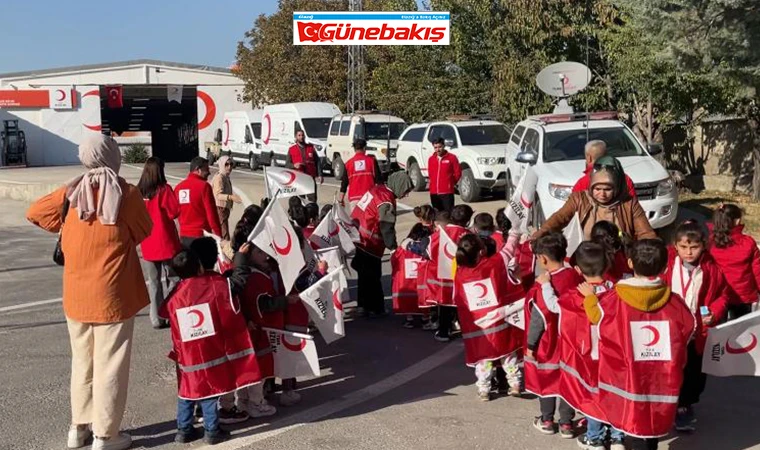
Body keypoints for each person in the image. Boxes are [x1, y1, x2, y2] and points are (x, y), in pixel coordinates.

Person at [26, 134, 152, 450]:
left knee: (83, 363)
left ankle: (77, 427)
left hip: (77, 295)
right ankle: (106, 435)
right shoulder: (127, 194)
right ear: (112, 156)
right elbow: (144, 230)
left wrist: (70, 187)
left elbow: (36, 213)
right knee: (110, 364)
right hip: (114, 294)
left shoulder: (72, 194)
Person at [580, 239, 695, 449]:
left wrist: (589, 298)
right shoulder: (675, 302)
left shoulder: (612, 299)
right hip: (662, 376)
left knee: (632, 416)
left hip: (627, 376)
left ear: (630, 263)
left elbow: (596, 318)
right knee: (652, 420)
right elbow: (688, 328)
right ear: (665, 267)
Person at [159, 248, 262, 445]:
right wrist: (240, 257)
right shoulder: (214, 285)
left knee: (186, 391)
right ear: (199, 267)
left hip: (186, 354)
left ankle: (183, 429)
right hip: (210, 352)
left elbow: (164, 311)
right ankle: (212, 430)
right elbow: (238, 283)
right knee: (208, 391)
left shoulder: (177, 293)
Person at [662, 220, 729, 432]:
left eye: (694, 247)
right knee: (669, 370)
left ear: (703, 245)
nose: (689, 252)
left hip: (697, 331)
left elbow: (723, 295)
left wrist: (715, 312)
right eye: (683, 247)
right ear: (675, 245)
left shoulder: (711, 269)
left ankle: (685, 406)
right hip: (670, 329)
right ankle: (667, 405)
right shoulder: (666, 265)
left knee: (693, 372)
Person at [553, 243, 616, 447]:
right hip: (615, 355)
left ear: (578, 270)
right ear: (607, 266)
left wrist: (544, 286)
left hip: (589, 355)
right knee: (614, 395)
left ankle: (594, 437)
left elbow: (558, 316)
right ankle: (617, 437)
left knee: (592, 396)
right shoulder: (618, 291)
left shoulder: (573, 296)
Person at [524, 232, 582, 438]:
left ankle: (547, 420)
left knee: (547, 380)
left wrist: (531, 345)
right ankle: (567, 423)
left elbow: (539, 319)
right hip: (571, 341)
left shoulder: (544, 284)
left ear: (542, 258)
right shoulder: (575, 276)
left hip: (549, 343)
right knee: (567, 382)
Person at [452, 234, 524, 401]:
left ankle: (484, 389)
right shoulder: (492, 264)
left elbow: (457, 300)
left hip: (478, 328)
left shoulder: (460, 274)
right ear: (482, 251)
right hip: (500, 323)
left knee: (484, 360)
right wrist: (514, 233)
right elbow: (509, 249)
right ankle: (515, 384)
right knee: (508, 356)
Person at [537, 156, 656, 241]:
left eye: (607, 190)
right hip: (587, 260)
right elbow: (560, 218)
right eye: (597, 189)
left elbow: (646, 233)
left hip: (620, 260)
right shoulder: (579, 199)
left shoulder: (629, 203)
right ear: (591, 186)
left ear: (617, 188)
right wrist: (541, 232)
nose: (602, 194)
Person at [351, 172, 414, 316]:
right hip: (370, 241)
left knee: (363, 275)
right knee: (373, 276)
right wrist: (392, 248)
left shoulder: (377, 189)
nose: (406, 195)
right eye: (406, 190)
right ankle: (376, 307)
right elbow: (386, 226)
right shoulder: (386, 199)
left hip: (359, 236)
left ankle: (363, 305)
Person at [137, 156, 181, 329]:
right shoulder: (164, 190)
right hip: (166, 241)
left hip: (147, 242)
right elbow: (174, 212)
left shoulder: (139, 192)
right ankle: (171, 313)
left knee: (154, 282)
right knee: (174, 279)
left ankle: (156, 317)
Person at [427, 205, 474, 342]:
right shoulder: (468, 235)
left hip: (444, 275)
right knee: (461, 303)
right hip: (461, 275)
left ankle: (443, 332)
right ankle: (461, 327)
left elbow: (428, 248)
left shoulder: (442, 232)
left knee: (445, 304)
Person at [709, 203, 760, 319]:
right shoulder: (748, 243)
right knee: (741, 330)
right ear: (737, 221)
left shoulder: (711, 243)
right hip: (743, 295)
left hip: (718, 294)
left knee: (719, 327)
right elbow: (757, 271)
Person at [392, 223, 433, 327]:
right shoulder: (426, 248)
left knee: (407, 298)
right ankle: (425, 318)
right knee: (422, 296)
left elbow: (395, 260)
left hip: (406, 280)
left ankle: (409, 318)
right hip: (421, 279)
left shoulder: (404, 247)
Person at [176, 156, 222, 247]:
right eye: (206, 169)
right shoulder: (204, 187)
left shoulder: (178, 188)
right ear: (198, 169)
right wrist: (219, 236)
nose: (209, 172)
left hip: (184, 237)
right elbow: (212, 215)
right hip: (201, 236)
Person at [572, 140, 636, 198]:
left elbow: (574, 206)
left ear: (589, 158)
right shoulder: (625, 179)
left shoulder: (583, 182)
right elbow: (634, 203)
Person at [339, 138, 382, 211]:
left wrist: (341, 199)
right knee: (369, 221)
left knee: (356, 222)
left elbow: (344, 183)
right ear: (364, 148)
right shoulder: (371, 161)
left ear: (354, 149)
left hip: (354, 199)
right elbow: (379, 181)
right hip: (369, 198)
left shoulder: (348, 164)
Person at [211, 156, 242, 240]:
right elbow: (218, 195)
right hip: (220, 208)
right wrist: (231, 197)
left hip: (224, 208)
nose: (229, 167)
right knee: (224, 234)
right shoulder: (219, 177)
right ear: (221, 165)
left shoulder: (225, 176)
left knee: (222, 232)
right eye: (226, 164)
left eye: (231, 164)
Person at [428, 137, 462, 214]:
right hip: (434, 193)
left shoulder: (452, 158)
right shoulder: (431, 159)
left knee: (448, 214)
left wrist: (451, 183)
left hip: (447, 193)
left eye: (439, 147)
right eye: (435, 147)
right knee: (437, 215)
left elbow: (458, 173)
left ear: (444, 146)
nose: (438, 149)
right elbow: (430, 174)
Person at [287, 129, 323, 203]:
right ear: (296, 137)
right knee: (299, 200)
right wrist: (294, 165)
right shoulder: (291, 149)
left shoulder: (310, 148)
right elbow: (287, 164)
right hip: (298, 178)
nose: (301, 137)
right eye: (299, 135)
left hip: (310, 178)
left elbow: (318, 161)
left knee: (312, 200)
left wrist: (320, 175)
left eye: (302, 135)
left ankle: (312, 213)